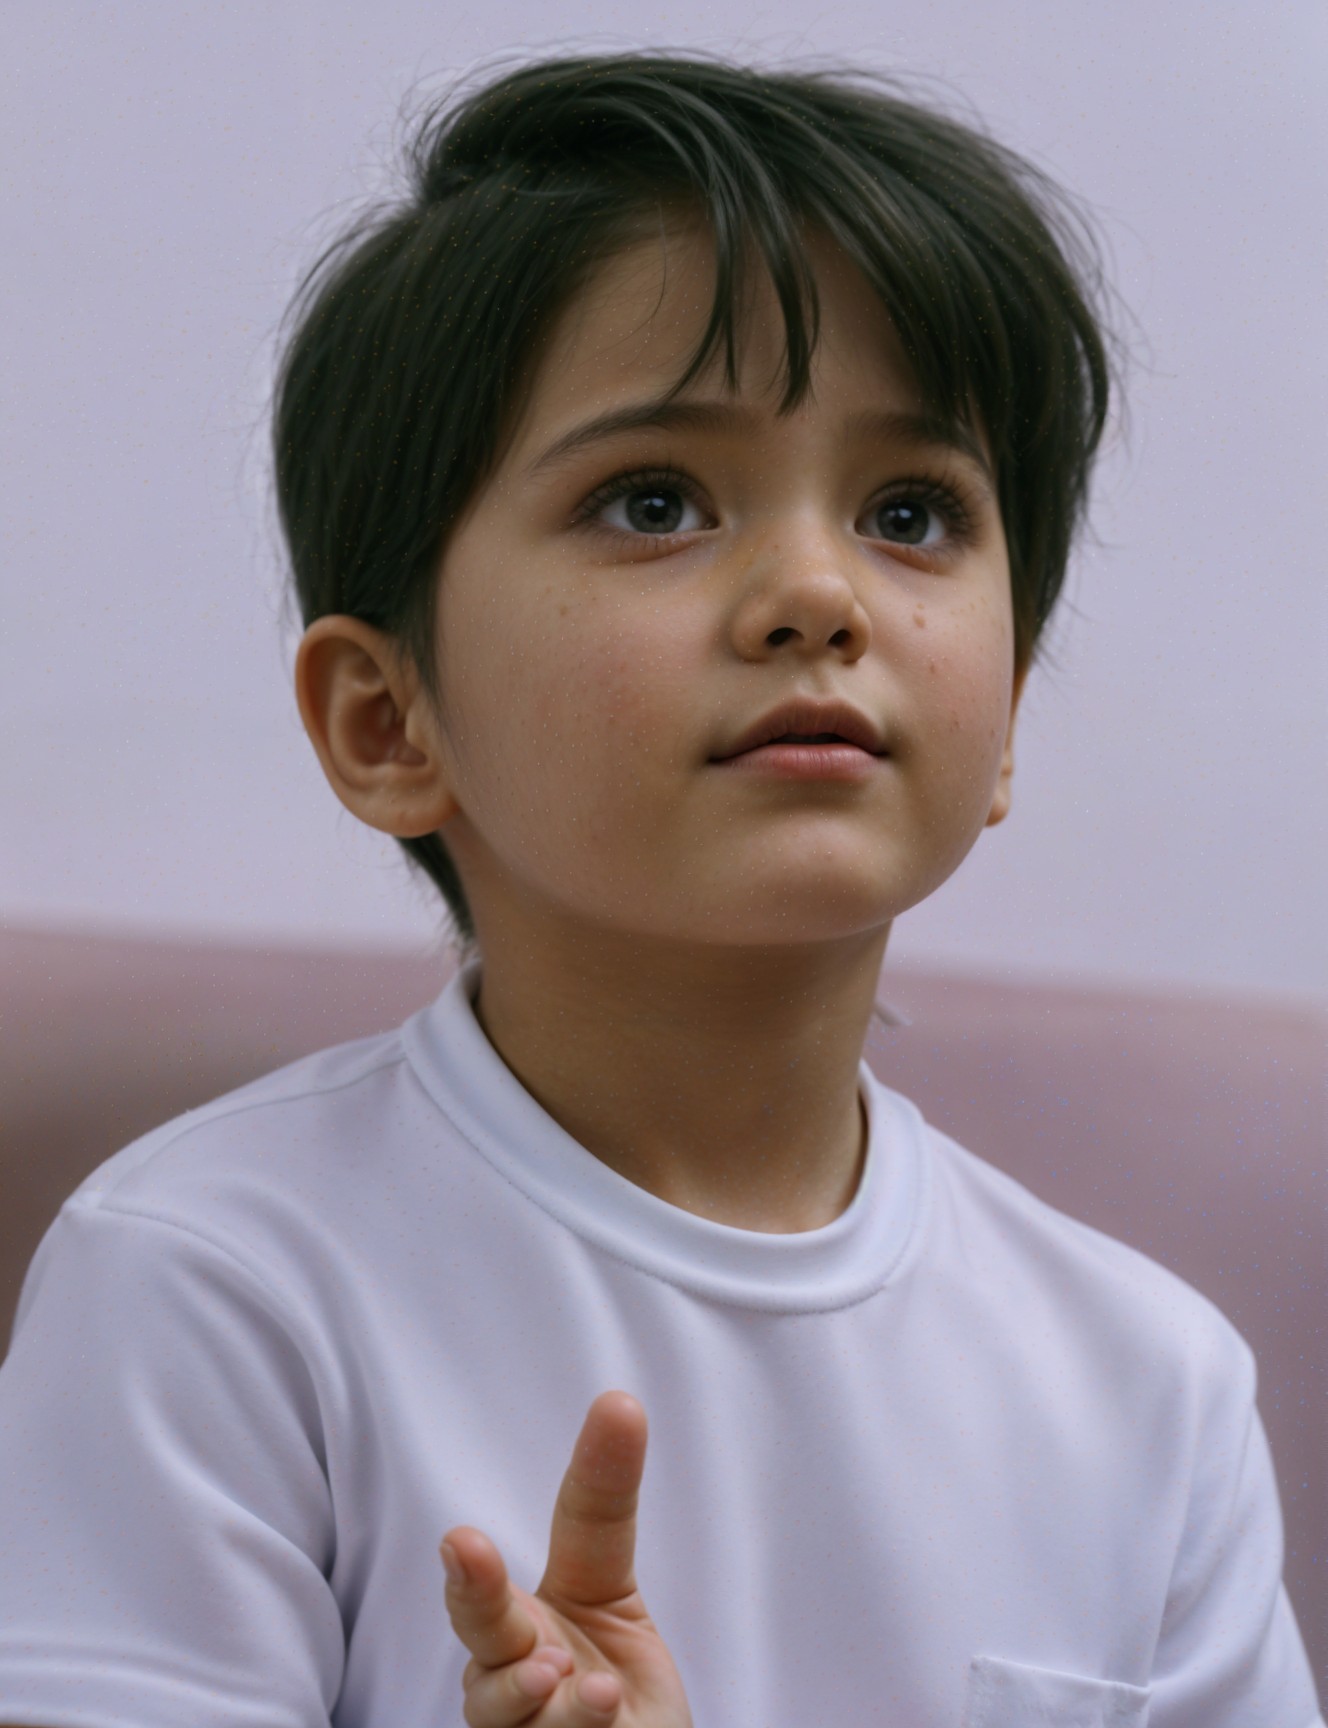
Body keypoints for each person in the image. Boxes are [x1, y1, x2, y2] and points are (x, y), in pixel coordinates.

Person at [0, 47, 1321, 1728]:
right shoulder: (209, 1286)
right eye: (654, 500)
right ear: (387, 720)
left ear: (1000, 733)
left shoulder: (1155, 1388)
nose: (817, 593)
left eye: (913, 512)